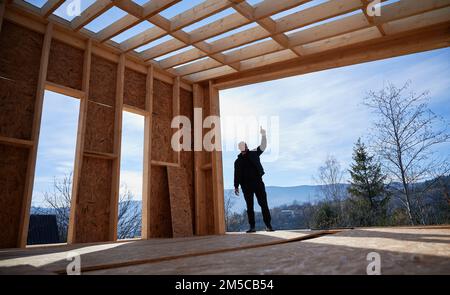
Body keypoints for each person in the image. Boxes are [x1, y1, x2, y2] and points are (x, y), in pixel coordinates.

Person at [234, 127, 274, 233]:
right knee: (249, 206)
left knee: (263, 204)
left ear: (246, 146)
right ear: (240, 148)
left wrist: (264, 135)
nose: (245, 147)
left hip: (257, 183)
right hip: (246, 186)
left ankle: (268, 225)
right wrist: (236, 186)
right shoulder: (237, 162)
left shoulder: (254, 153)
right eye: (242, 146)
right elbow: (236, 174)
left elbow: (263, 146)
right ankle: (252, 227)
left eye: (245, 145)